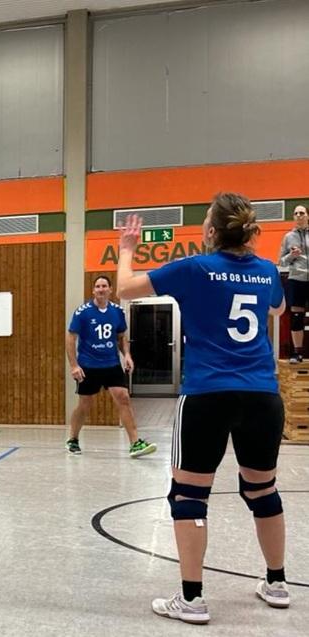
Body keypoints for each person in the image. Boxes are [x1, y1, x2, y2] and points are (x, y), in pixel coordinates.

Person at [117, 193, 289, 624]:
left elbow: (125, 288)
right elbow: (279, 307)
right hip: (262, 397)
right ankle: (277, 582)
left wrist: (126, 249)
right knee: (262, 490)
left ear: (211, 232)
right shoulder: (267, 271)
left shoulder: (195, 268)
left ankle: (192, 600)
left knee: (189, 495)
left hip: (208, 394)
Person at [65, 275, 156, 458]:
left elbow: (121, 336)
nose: (100, 289)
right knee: (85, 404)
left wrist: (127, 355)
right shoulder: (83, 312)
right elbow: (70, 337)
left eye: (104, 286)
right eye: (97, 286)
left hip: (111, 363)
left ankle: (135, 443)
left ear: (110, 289)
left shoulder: (117, 311)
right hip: (88, 364)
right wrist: (74, 365)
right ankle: (73, 439)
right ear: (93, 290)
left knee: (123, 397)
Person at [278, 204, 309, 363]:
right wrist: (291, 255)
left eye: (302, 213)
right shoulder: (288, 237)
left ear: (307, 216)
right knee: (297, 316)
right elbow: (281, 260)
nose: (299, 215)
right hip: (296, 279)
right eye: (296, 213)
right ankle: (297, 353)